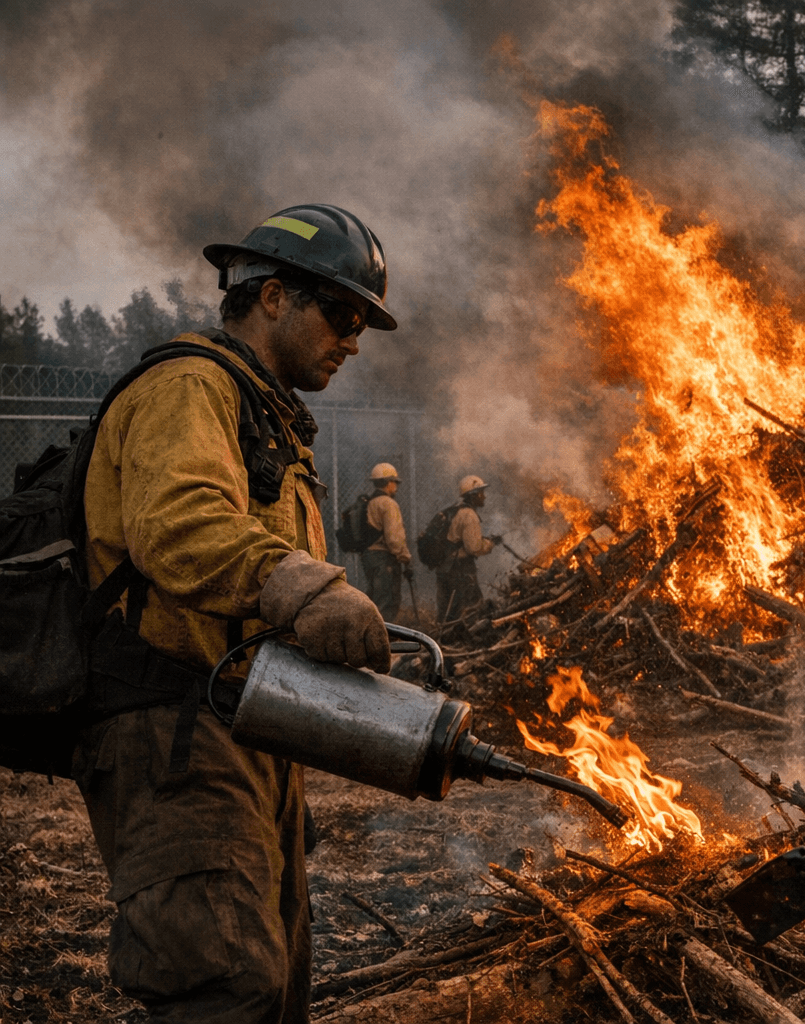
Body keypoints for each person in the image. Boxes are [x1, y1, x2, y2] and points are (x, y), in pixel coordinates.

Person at [75, 204, 397, 1023]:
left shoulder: (268, 417)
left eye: (361, 322)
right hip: (173, 727)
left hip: (246, 729)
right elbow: (178, 527)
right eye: (343, 313)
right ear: (273, 297)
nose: (353, 340)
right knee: (225, 985)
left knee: (279, 983)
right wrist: (305, 588)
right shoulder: (191, 386)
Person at [436, 474, 499, 622]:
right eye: (481, 493)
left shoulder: (456, 510)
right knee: (470, 609)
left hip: (445, 568)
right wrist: (491, 544)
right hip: (460, 571)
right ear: (473, 495)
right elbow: (473, 548)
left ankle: (441, 639)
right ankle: (461, 640)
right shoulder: (469, 515)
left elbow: (461, 540)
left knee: (446, 611)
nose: (484, 497)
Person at [361, 461, 411, 621]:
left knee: (375, 599)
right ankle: (383, 641)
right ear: (388, 482)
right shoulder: (389, 504)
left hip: (369, 557)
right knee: (387, 602)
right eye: (394, 482)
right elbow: (394, 539)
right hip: (385, 560)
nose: (396, 486)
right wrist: (405, 557)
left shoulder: (368, 502)